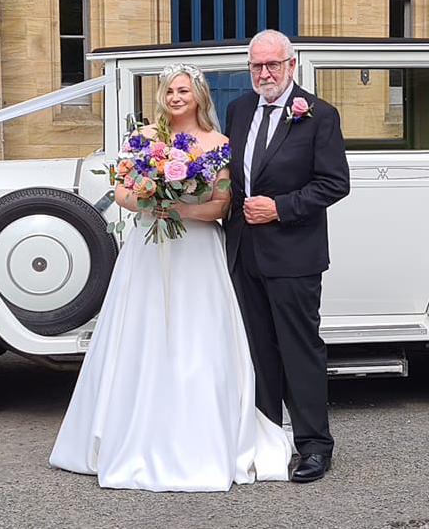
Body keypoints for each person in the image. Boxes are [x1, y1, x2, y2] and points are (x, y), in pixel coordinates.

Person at [49, 63, 291, 492]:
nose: (176, 97)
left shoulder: (219, 143)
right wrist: (150, 200)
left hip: (197, 251)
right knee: (142, 333)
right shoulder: (143, 140)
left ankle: (203, 438)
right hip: (148, 249)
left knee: (198, 334)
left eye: (184, 90)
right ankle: (133, 431)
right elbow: (122, 191)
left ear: (198, 95)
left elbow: (221, 205)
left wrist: (179, 209)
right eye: (169, 91)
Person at [224, 29, 351, 483]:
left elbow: (335, 183)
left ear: (291, 66)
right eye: (257, 66)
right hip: (242, 252)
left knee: (300, 350)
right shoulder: (238, 110)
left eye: (272, 65)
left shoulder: (319, 115)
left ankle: (315, 446)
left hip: (294, 253)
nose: (264, 74)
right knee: (257, 352)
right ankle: (266, 444)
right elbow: (233, 177)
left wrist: (281, 207)